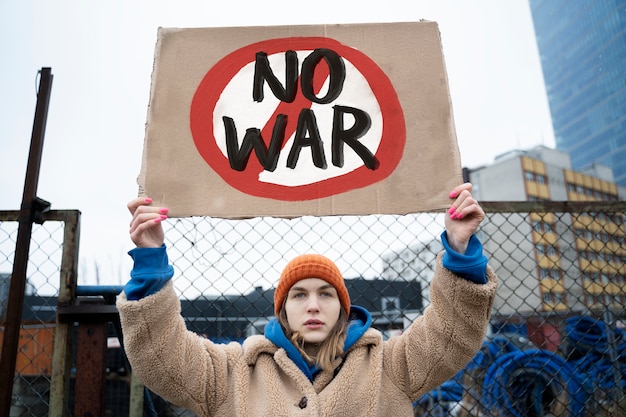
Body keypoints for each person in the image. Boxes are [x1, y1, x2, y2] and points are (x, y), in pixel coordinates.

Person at [117, 183, 498, 417]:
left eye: (326, 294)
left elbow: (452, 334)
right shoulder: (232, 372)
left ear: (342, 309)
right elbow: (160, 356)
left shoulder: (391, 365)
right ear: (281, 310)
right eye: (299, 295)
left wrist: (461, 252)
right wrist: (151, 261)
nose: (313, 305)